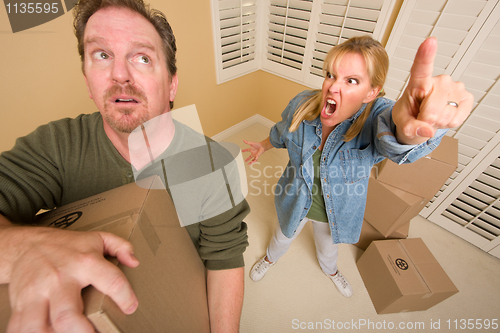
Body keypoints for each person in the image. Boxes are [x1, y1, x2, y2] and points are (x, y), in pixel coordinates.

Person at [0, 0, 248, 332]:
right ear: (88, 81)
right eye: (102, 55)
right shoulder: (57, 145)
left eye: (142, 58)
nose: (120, 74)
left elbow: (224, 261)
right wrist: (22, 248)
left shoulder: (215, 165)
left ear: (172, 84)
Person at [243, 36, 472, 297]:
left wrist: (413, 129)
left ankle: (330, 270)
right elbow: (283, 132)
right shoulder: (302, 104)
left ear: (372, 92)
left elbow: (395, 135)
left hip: (335, 212)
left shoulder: (376, 117)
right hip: (295, 200)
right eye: (331, 75)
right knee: (282, 237)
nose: (332, 87)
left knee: (328, 247)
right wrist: (264, 145)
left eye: (351, 80)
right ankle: (270, 259)